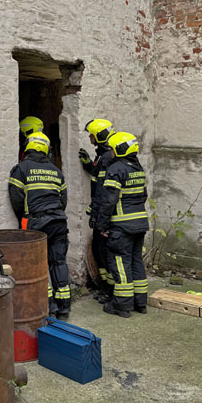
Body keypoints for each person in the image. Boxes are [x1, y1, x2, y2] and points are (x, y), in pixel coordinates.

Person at [8, 131, 71, 318]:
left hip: (36, 223)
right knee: (58, 261)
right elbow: (63, 200)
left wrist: (25, 217)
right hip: (58, 221)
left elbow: (16, 199)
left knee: (38, 264)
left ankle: (49, 305)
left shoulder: (22, 169)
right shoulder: (56, 171)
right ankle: (64, 305)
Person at [95, 132, 149, 318]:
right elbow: (143, 196)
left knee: (120, 263)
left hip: (121, 226)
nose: (110, 152)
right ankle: (140, 302)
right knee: (136, 261)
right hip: (140, 224)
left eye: (112, 148)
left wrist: (101, 225)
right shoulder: (137, 168)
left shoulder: (116, 168)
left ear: (119, 149)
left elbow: (109, 200)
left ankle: (122, 306)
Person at [79, 119, 115, 302]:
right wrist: (88, 165)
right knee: (98, 249)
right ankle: (105, 287)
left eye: (92, 135)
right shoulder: (102, 156)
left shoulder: (108, 158)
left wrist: (98, 215)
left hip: (104, 215)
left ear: (99, 136)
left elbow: (104, 190)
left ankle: (110, 291)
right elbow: (97, 178)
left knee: (104, 251)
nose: (90, 138)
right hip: (100, 212)